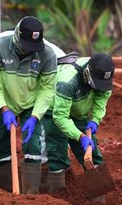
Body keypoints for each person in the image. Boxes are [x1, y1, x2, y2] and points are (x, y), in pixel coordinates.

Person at [0, 16, 57, 194]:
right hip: (3, 100)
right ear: (17, 36)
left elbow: (48, 89)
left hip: (30, 104)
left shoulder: (47, 54)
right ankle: (7, 193)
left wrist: (35, 116)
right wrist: (4, 109)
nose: (29, 50)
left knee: (33, 146)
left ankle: (31, 195)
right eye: (26, 45)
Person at [42, 53, 114, 202]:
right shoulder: (67, 81)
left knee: (92, 156)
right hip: (55, 109)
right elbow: (60, 117)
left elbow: (101, 99)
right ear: (87, 73)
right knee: (57, 153)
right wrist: (80, 136)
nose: (100, 88)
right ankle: (58, 197)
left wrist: (94, 120)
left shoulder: (104, 77)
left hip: (79, 113)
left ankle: (98, 200)